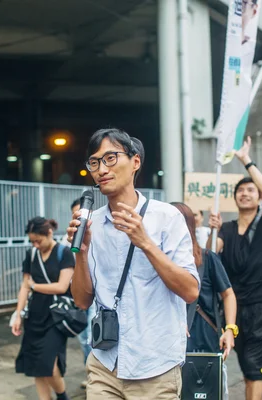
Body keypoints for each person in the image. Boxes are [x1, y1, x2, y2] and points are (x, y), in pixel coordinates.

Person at [68, 128, 199, 399]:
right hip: (105, 363)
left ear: (135, 162)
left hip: (155, 368)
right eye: (94, 162)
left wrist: (146, 243)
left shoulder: (167, 218)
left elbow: (190, 290)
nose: (102, 169)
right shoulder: (93, 225)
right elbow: (81, 300)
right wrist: (81, 252)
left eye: (111, 158)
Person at [207, 136, 262, 400]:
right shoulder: (225, 227)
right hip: (231, 305)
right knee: (231, 361)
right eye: (241, 191)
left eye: (251, 190)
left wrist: (245, 159)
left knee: (254, 367)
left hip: (260, 303)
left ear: (258, 198)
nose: (245, 193)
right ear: (234, 197)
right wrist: (211, 231)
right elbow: (211, 254)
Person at [12, 217, 75, 400]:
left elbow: (62, 287)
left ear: (49, 233)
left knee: (49, 364)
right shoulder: (31, 255)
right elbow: (24, 286)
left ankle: (62, 396)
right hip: (35, 315)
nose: (36, 245)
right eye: (32, 241)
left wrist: (35, 286)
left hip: (56, 316)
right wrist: (18, 315)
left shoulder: (64, 253)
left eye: (38, 241)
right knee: (35, 365)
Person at [171, 202, 237, 356]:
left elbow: (228, 294)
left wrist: (230, 329)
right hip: (167, 342)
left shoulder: (207, 258)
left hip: (204, 342)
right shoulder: (154, 260)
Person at [68, 197, 95, 389]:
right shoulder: (70, 238)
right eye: (75, 214)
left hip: (97, 297)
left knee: (92, 337)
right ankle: (90, 371)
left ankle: (94, 373)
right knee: (83, 338)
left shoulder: (99, 234)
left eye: (82, 214)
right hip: (78, 295)